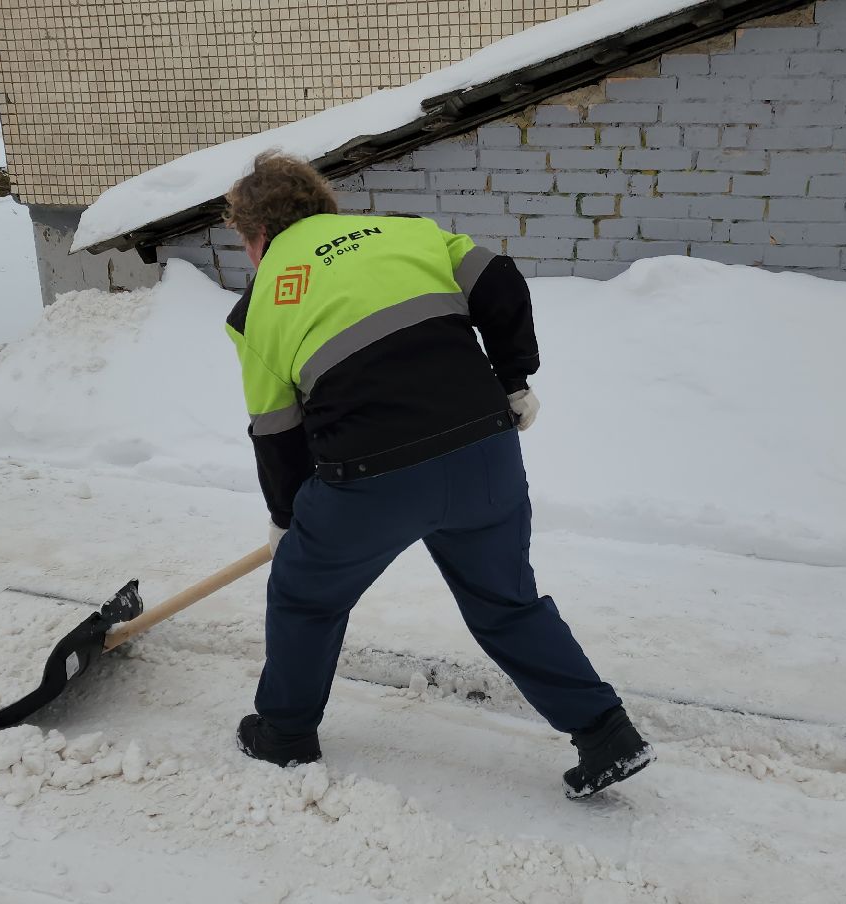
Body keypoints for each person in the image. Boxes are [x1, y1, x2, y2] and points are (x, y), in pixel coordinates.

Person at [221, 151, 652, 799]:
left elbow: (278, 431)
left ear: (256, 234)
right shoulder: (408, 232)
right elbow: (499, 280)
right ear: (322, 206)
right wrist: (512, 380)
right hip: (484, 453)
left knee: (305, 596)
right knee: (507, 603)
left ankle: (283, 733)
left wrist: (288, 522)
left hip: (372, 480)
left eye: (244, 244)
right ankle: (605, 734)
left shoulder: (258, 304)